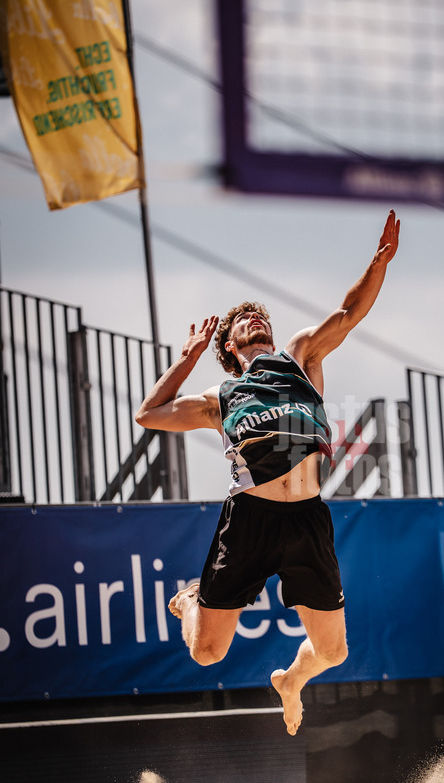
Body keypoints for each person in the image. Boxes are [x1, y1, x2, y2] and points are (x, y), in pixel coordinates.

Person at [135, 210, 400, 735]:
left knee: (334, 651)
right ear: (230, 347)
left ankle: (291, 682)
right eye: (244, 321)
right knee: (207, 653)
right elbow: (149, 414)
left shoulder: (299, 357)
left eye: (261, 317)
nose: (255, 320)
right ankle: (191, 599)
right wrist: (187, 358)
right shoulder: (221, 397)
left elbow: (349, 313)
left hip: (306, 517)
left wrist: (378, 264)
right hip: (250, 519)